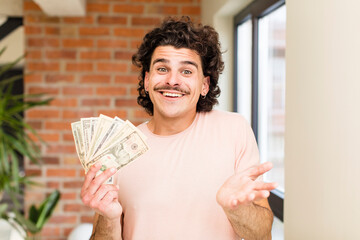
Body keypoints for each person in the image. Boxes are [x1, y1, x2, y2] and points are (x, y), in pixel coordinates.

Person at [81, 16, 277, 240]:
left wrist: (237, 209)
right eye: (162, 68)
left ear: (204, 85)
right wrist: (110, 217)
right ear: (147, 80)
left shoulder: (234, 130)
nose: (172, 81)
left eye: (186, 71)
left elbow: (263, 235)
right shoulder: (118, 149)